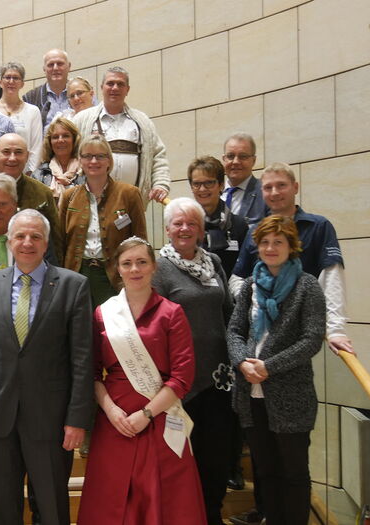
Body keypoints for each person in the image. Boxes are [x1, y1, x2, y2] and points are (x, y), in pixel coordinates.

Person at [0, 209, 93, 525]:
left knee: (51, 508)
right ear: (9, 241)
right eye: (20, 235)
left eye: (35, 236)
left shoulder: (73, 286)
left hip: (50, 419)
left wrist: (77, 419)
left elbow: (82, 359)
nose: (27, 242)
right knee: (2, 509)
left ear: (46, 242)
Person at [77, 237, 207, 525]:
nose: (134, 269)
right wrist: (110, 411)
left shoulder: (172, 313)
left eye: (141, 262)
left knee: (166, 503)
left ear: (153, 267)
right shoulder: (103, 313)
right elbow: (92, 373)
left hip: (160, 418)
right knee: (110, 500)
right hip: (115, 421)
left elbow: (183, 377)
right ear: (117, 269)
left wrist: (147, 414)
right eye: (127, 263)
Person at [227, 215, 326, 525]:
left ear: (291, 246)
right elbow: (234, 331)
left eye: (278, 242)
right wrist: (242, 361)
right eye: (265, 242)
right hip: (250, 392)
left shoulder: (307, 285)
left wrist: (269, 366)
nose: (271, 248)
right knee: (265, 470)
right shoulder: (251, 285)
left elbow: (312, 339)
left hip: (291, 395)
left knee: (293, 473)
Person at [151, 198, 235, 525]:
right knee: (178, 458)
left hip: (218, 377)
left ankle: (211, 516)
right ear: (168, 229)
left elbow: (227, 310)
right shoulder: (159, 266)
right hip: (178, 381)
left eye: (192, 223)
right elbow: (151, 323)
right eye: (178, 223)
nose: (185, 229)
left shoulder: (213, 261)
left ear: (201, 230)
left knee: (214, 458)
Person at [229, 163, 353, 355]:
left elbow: (332, 278)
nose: (275, 192)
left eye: (281, 185)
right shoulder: (255, 230)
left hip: (301, 332)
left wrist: (335, 330)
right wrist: (256, 302)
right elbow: (238, 277)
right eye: (268, 187)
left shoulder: (319, 226)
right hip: (259, 332)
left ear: (295, 187)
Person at [59, 136, 147, 307]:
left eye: (100, 156)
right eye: (87, 156)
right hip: (77, 275)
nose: (94, 161)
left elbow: (140, 241)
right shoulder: (69, 197)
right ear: (80, 161)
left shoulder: (129, 194)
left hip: (115, 277)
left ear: (109, 161)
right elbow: (60, 242)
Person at [72, 66, 170, 205]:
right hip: (91, 204)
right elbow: (69, 156)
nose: (115, 88)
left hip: (133, 205)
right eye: (110, 83)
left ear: (127, 89)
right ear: (102, 87)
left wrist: (161, 184)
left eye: (120, 84)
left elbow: (158, 155)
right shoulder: (81, 120)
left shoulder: (143, 122)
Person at [188, 155, 248, 277]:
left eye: (209, 183)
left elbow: (245, 268)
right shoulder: (185, 225)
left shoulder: (238, 225)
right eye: (197, 184)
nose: (202, 189)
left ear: (221, 185)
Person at [0, 62, 43, 172]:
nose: (11, 81)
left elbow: (36, 148)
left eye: (16, 78)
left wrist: (31, 174)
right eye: (7, 77)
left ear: (22, 84)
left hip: (24, 174)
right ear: (0, 82)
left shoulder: (33, 111)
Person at [30, 116, 84, 201]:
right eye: (55, 137)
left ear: (74, 140)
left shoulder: (85, 171)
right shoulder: (39, 174)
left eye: (65, 136)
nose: (60, 140)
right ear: (50, 142)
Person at [221, 133, 268, 225]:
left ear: (253, 161)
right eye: (230, 156)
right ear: (224, 159)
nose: (236, 161)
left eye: (243, 156)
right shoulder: (212, 192)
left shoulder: (265, 192)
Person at [22, 49, 71, 128]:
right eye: (50, 65)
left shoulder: (81, 93)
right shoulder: (30, 98)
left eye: (60, 64)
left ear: (69, 66)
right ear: (44, 69)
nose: (55, 68)